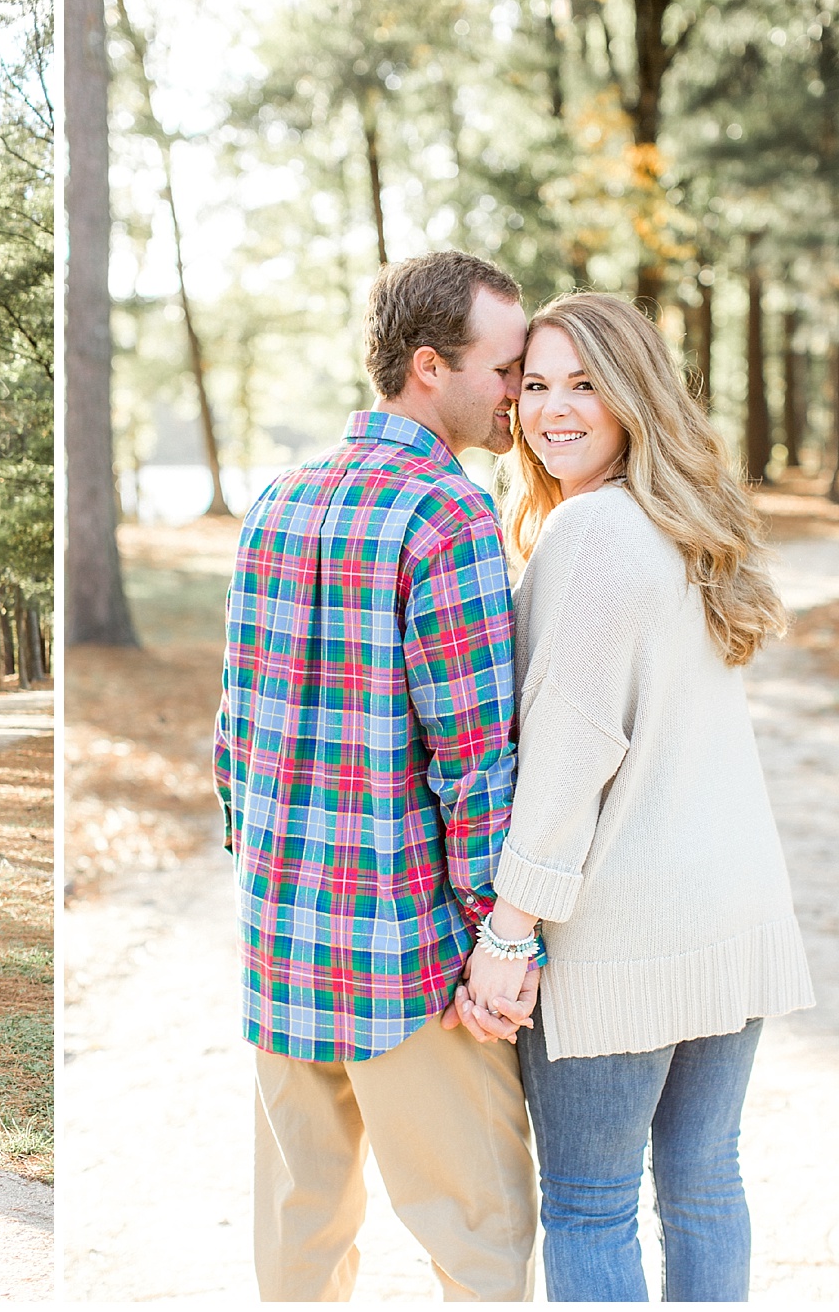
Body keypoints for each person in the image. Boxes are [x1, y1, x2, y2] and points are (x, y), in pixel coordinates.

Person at [462, 292, 816, 1301]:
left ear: (633, 396)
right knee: (705, 1185)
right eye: (534, 384)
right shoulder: (687, 525)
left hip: (626, 937)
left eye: (583, 384)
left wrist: (507, 932)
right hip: (730, 913)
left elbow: (568, 760)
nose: (553, 409)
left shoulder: (591, 535)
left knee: (590, 1205)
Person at [213, 250, 541, 1302]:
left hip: (280, 946)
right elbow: (477, 764)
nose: (520, 395)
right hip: (410, 966)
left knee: (298, 1255)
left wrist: (264, 876)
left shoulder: (275, 502)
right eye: (507, 369)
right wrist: (499, 933)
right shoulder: (449, 518)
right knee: (483, 1244)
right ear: (431, 367)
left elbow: (233, 737)